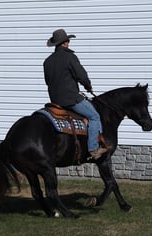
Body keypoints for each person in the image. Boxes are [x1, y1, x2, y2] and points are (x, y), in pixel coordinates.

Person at [43, 29, 107, 160]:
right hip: (71, 99)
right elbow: (81, 75)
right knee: (94, 116)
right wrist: (88, 86)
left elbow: (48, 81)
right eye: (68, 40)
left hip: (55, 101)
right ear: (65, 43)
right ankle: (93, 149)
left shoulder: (47, 61)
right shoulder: (70, 57)